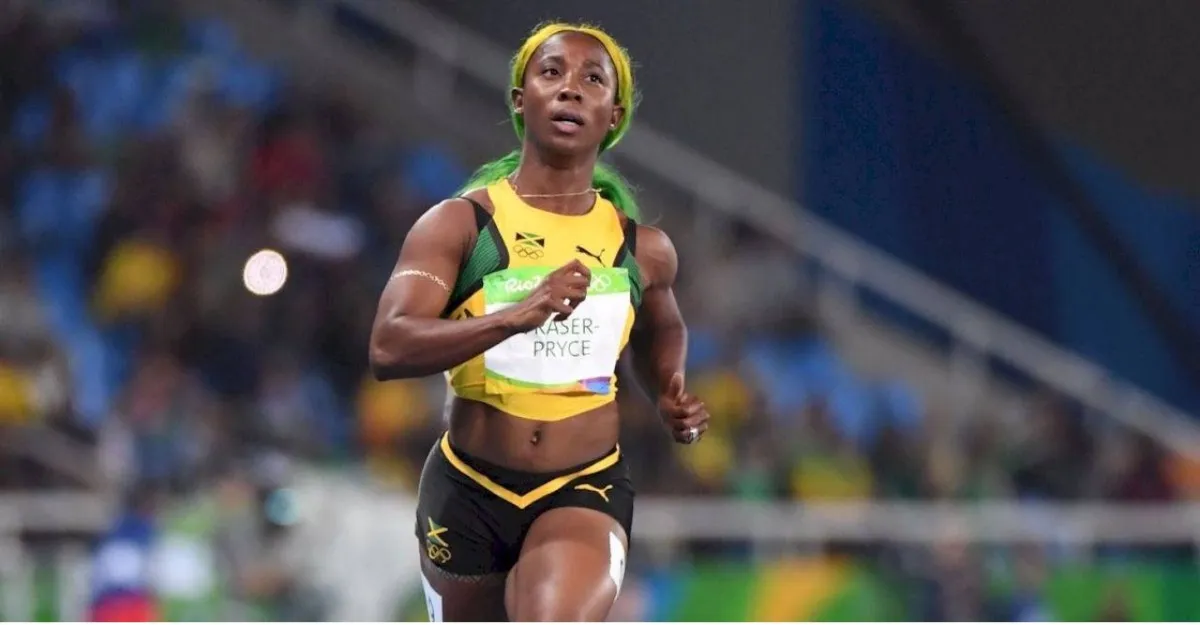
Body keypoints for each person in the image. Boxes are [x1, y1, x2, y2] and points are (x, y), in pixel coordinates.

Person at [369, 22, 709, 622]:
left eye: (592, 80)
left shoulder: (643, 249)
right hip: (466, 489)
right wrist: (514, 318)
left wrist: (668, 389)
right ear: (520, 100)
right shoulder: (460, 226)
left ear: (614, 115)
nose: (570, 88)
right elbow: (389, 347)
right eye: (551, 73)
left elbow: (663, 328)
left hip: (583, 486)